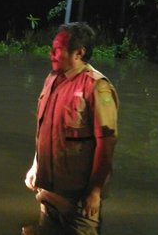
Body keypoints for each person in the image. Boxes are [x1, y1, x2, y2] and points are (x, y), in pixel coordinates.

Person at [24, 22, 119, 235]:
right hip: (48, 190)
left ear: (79, 53)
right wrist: (35, 165)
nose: (51, 54)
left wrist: (94, 191)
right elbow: (46, 130)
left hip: (78, 198)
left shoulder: (96, 86)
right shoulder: (52, 80)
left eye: (57, 49)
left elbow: (107, 142)